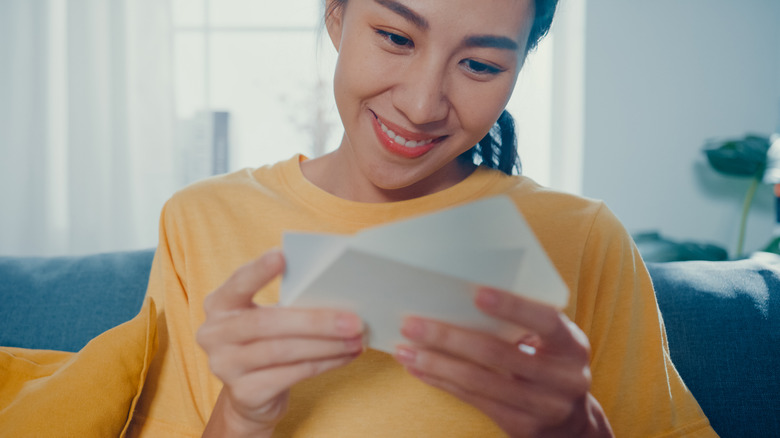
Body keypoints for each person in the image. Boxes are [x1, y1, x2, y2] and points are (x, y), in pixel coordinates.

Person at [127, 0, 718, 436]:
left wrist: (576, 431)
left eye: (481, 66)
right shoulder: (201, 219)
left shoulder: (582, 238)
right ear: (336, 17)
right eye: (395, 37)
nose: (420, 105)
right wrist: (240, 415)